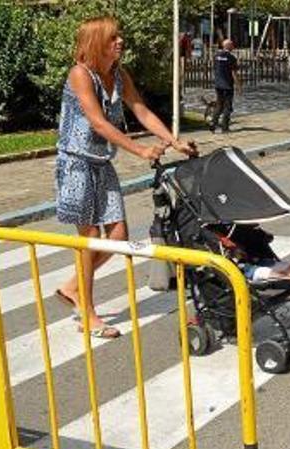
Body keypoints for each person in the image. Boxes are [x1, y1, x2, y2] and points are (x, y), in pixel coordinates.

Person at [54, 16, 198, 338]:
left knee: (118, 237)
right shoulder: (80, 74)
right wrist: (140, 150)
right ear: (95, 43)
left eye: (119, 36)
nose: (119, 41)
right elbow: (98, 123)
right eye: (112, 38)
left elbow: (141, 110)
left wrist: (174, 142)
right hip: (76, 164)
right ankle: (88, 314)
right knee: (89, 240)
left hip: (102, 163)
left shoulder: (118, 75)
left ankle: (73, 287)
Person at [210, 38, 239, 133]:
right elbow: (234, 73)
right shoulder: (231, 58)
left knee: (219, 105)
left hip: (218, 84)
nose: (233, 46)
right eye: (232, 44)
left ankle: (213, 123)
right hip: (227, 85)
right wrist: (238, 85)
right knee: (227, 106)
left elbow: (214, 68)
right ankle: (225, 127)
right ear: (228, 46)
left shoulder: (216, 56)